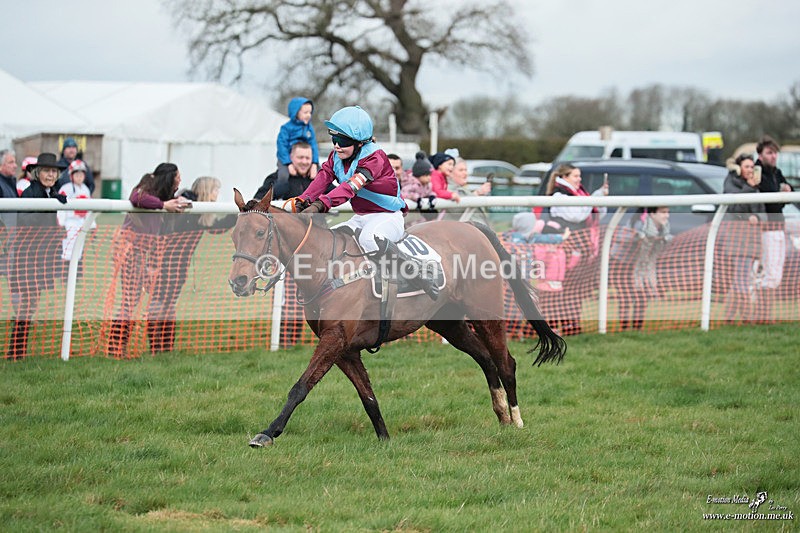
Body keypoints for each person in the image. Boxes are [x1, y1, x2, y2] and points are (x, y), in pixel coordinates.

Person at [294, 105, 439, 299]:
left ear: (360, 143)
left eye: (343, 140)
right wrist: (303, 200)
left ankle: (418, 275)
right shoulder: (335, 156)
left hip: (388, 217)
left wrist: (321, 204)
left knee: (368, 239)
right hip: (362, 217)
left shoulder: (375, 158)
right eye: (334, 138)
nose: (337, 145)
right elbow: (322, 178)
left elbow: (350, 188)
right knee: (334, 239)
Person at [105, 163, 189, 357]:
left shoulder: (160, 194)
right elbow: (137, 198)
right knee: (129, 301)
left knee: (133, 300)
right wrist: (164, 205)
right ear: (168, 177)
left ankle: (117, 347)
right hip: (130, 250)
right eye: (177, 177)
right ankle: (115, 348)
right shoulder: (147, 186)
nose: (180, 180)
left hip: (143, 251)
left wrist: (175, 200)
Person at [149, 177, 236, 353]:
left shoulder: (201, 214)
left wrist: (236, 213)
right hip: (163, 262)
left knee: (169, 304)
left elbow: (215, 227)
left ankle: (165, 347)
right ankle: (155, 345)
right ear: (206, 190)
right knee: (159, 303)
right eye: (215, 190)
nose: (217, 195)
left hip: (180, 265)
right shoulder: (187, 202)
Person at [5, 153, 68, 359]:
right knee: (26, 304)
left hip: (41, 257)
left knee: (31, 305)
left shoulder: (51, 192)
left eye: (54, 171)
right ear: (37, 173)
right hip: (27, 258)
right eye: (47, 171)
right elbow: (24, 219)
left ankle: (18, 351)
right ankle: (15, 352)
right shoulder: (31, 192)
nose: (51, 175)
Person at [539, 164, 609, 335]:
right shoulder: (559, 195)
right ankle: (553, 325)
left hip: (579, 249)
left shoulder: (580, 195)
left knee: (575, 289)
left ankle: (572, 323)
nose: (579, 179)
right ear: (564, 177)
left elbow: (594, 213)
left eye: (579, 176)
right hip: (562, 252)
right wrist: (595, 197)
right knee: (556, 290)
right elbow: (576, 215)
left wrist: (600, 200)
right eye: (575, 176)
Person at [720, 154, 765, 324]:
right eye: (746, 166)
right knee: (741, 279)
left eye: (752, 167)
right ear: (739, 168)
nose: (750, 170)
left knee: (740, 279)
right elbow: (734, 206)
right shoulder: (732, 182)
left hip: (752, 239)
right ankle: (746, 318)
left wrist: (757, 218)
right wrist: (748, 187)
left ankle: (729, 319)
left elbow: (762, 212)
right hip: (738, 238)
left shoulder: (756, 186)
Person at [612, 207, 672, 331]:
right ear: (652, 214)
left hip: (642, 265)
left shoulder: (664, 227)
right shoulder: (639, 224)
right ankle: (624, 329)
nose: (667, 216)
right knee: (626, 297)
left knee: (642, 297)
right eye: (663, 212)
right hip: (622, 263)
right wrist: (637, 237)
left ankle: (637, 329)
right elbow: (622, 238)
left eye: (668, 212)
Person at [754, 135, 793, 322]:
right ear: (760, 155)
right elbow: (767, 199)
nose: (773, 156)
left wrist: (787, 190)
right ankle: (762, 315)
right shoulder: (758, 172)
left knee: (776, 274)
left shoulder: (776, 173)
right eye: (769, 153)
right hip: (765, 229)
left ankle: (766, 314)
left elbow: (786, 190)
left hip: (779, 226)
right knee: (768, 274)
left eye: (775, 153)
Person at [276, 97, 320, 190]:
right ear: (296, 113)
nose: (308, 115)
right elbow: (282, 147)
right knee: (283, 176)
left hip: (304, 158)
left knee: (320, 174)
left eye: (310, 112)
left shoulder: (309, 128)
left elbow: (313, 145)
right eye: (305, 112)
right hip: (286, 159)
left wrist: (314, 163)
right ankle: (279, 194)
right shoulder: (286, 128)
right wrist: (288, 163)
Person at [57, 160, 95, 262]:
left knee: (78, 249)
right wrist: (61, 224)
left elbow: (89, 209)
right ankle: (65, 273)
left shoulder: (86, 190)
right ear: (71, 176)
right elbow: (61, 208)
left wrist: (92, 225)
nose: (79, 177)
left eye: (81, 174)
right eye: (77, 174)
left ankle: (76, 273)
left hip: (81, 223)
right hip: (69, 223)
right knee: (68, 249)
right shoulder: (66, 189)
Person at [445, 157, 491, 225]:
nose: (465, 173)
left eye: (465, 170)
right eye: (461, 170)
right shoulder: (446, 188)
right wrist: (477, 193)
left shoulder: (463, 190)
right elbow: (455, 209)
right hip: (462, 232)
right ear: (450, 173)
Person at [401, 151, 437, 222]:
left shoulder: (428, 185)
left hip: (419, 213)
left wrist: (432, 196)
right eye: (426, 175)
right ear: (419, 175)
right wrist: (416, 197)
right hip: (409, 213)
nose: (429, 178)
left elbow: (429, 192)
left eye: (430, 175)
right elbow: (403, 193)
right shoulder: (412, 184)